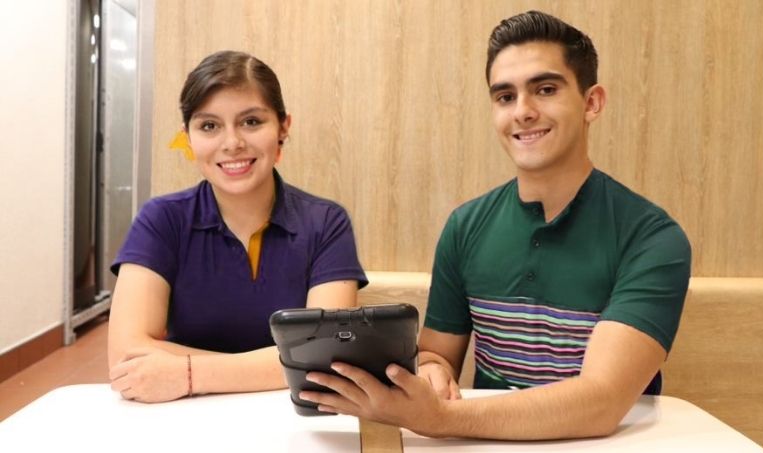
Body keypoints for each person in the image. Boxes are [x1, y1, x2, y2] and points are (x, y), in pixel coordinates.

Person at [299, 10, 691, 440]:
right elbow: (436, 355)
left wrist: (441, 419)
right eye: (505, 97)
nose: (522, 112)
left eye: (545, 90)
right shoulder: (465, 226)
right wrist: (432, 373)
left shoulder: (652, 237)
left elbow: (602, 401)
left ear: (592, 102)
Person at [107, 50, 367, 403]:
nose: (232, 143)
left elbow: (326, 355)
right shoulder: (161, 219)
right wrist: (281, 365)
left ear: (283, 127)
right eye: (209, 126)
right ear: (188, 136)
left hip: (293, 413)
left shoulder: (326, 223)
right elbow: (125, 356)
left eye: (251, 121)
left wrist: (185, 373)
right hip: (183, 414)